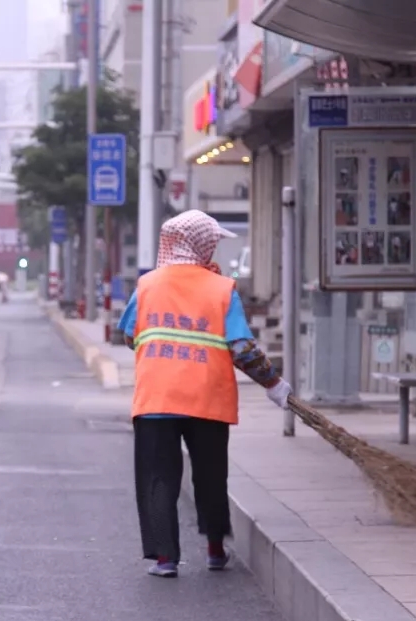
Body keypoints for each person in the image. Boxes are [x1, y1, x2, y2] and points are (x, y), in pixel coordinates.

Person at [118, 210, 292, 578]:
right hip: (207, 398)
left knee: (158, 476)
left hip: (157, 399)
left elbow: (129, 334)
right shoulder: (221, 289)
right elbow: (243, 349)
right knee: (211, 475)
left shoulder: (147, 286)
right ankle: (215, 549)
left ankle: (166, 559)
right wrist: (273, 385)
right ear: (201, 244)